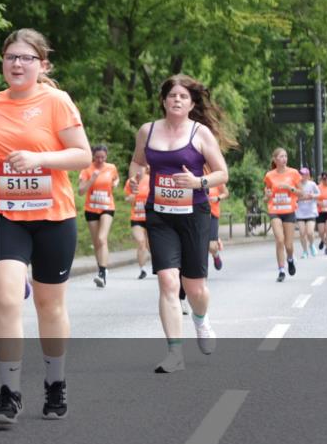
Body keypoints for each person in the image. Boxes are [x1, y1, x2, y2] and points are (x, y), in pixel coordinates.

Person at [0, 28, 91, 423]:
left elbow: (82, 156)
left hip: (54, 217)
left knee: (48, 305)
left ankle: (55, 382)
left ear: (43, 65)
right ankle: (10, 392)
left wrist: (40, 160)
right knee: (7, 298)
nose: (17, 64)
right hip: (7, 215)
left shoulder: (56, 101)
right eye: (11, 57)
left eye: (26, 58)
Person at [128, 74, 233, 373]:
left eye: (183, 96)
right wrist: (135, 176)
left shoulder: (200, 134)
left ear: (191, 103)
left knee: (195, 288)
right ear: (163, 100)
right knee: (167, 281)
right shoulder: (147, 131)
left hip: (194, 215)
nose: (177, 100)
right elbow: (137, 161)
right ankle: (175, 352)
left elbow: (221, 174)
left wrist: (197, 181)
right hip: (159, 214)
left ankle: (200, 320)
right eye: (172, 95)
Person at [78, 145, 119, 287]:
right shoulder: (87, 169)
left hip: (107, 207)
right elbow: (81, 191)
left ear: (106, 156)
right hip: (91, 209)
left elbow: (116, 179)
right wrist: (92, 179)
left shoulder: (111, 167)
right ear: (93, 156)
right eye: (97, 157)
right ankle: (102, 268)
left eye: (103, 157)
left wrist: (115, 183)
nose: (100, 160)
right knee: (96, 242)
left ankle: (102, 272)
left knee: (102, 238)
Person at [264, 148, 301, 282]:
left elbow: (301, 193)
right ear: (275, 159)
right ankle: (281, 270)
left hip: (289, 211)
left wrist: (290, 188)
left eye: (285, 156)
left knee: (289, 245)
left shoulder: (294, 173)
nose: (284, 159)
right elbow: (266, 197)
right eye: (281, 156)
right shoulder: (269, 175)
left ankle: (290, 259)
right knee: (279, 240)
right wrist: (267, 196)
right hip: (275, 211)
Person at [123, 168, 151, 279]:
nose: (138, 171)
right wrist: (131, 197)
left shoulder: (151, 179)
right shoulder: (131, 181)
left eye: (141, 168)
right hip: (136, 217)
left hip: (150, 217)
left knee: (151, 245)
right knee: (141, 242)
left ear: (146, 168)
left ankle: (160, 266)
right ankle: (142, 269)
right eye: (137, 168)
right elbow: (128, 198)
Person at [296, 167, 320, 258]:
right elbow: (294, 197)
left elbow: (319, 194)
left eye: (304, 174)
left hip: (311, 212)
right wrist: (301, 198)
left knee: (310, 232)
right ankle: (305, 251)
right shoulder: (297, 185)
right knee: (302, 233)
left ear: (308, 175)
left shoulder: (312, 184)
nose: (302, 176)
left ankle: (311, 245)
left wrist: (312, 195)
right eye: (301, 174)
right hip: (300, 212)